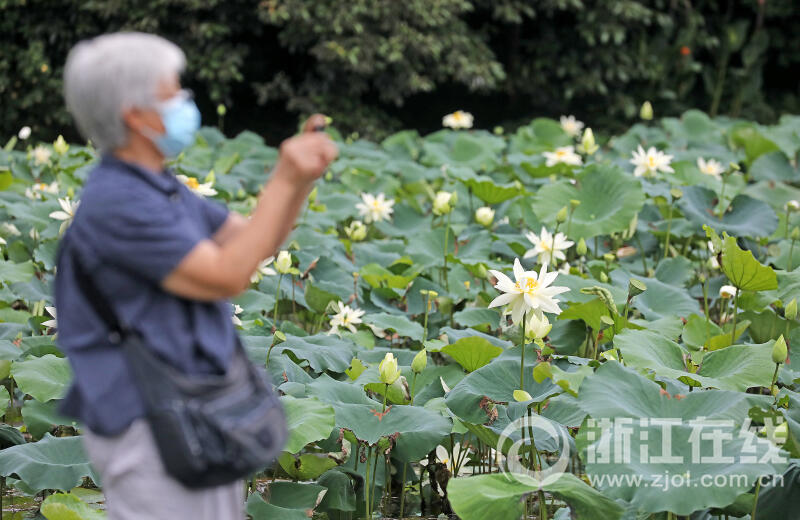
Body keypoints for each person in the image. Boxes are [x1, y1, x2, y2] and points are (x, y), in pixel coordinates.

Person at [53, 32, 337, 519]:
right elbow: (227, 275)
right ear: (135, 115)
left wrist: (300, 182)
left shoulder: (157, 187)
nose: (186, 102)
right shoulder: (117, 203)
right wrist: (285, 178)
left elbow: (253, 241)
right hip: (147, 419)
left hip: (196, 408)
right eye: (173, 92)